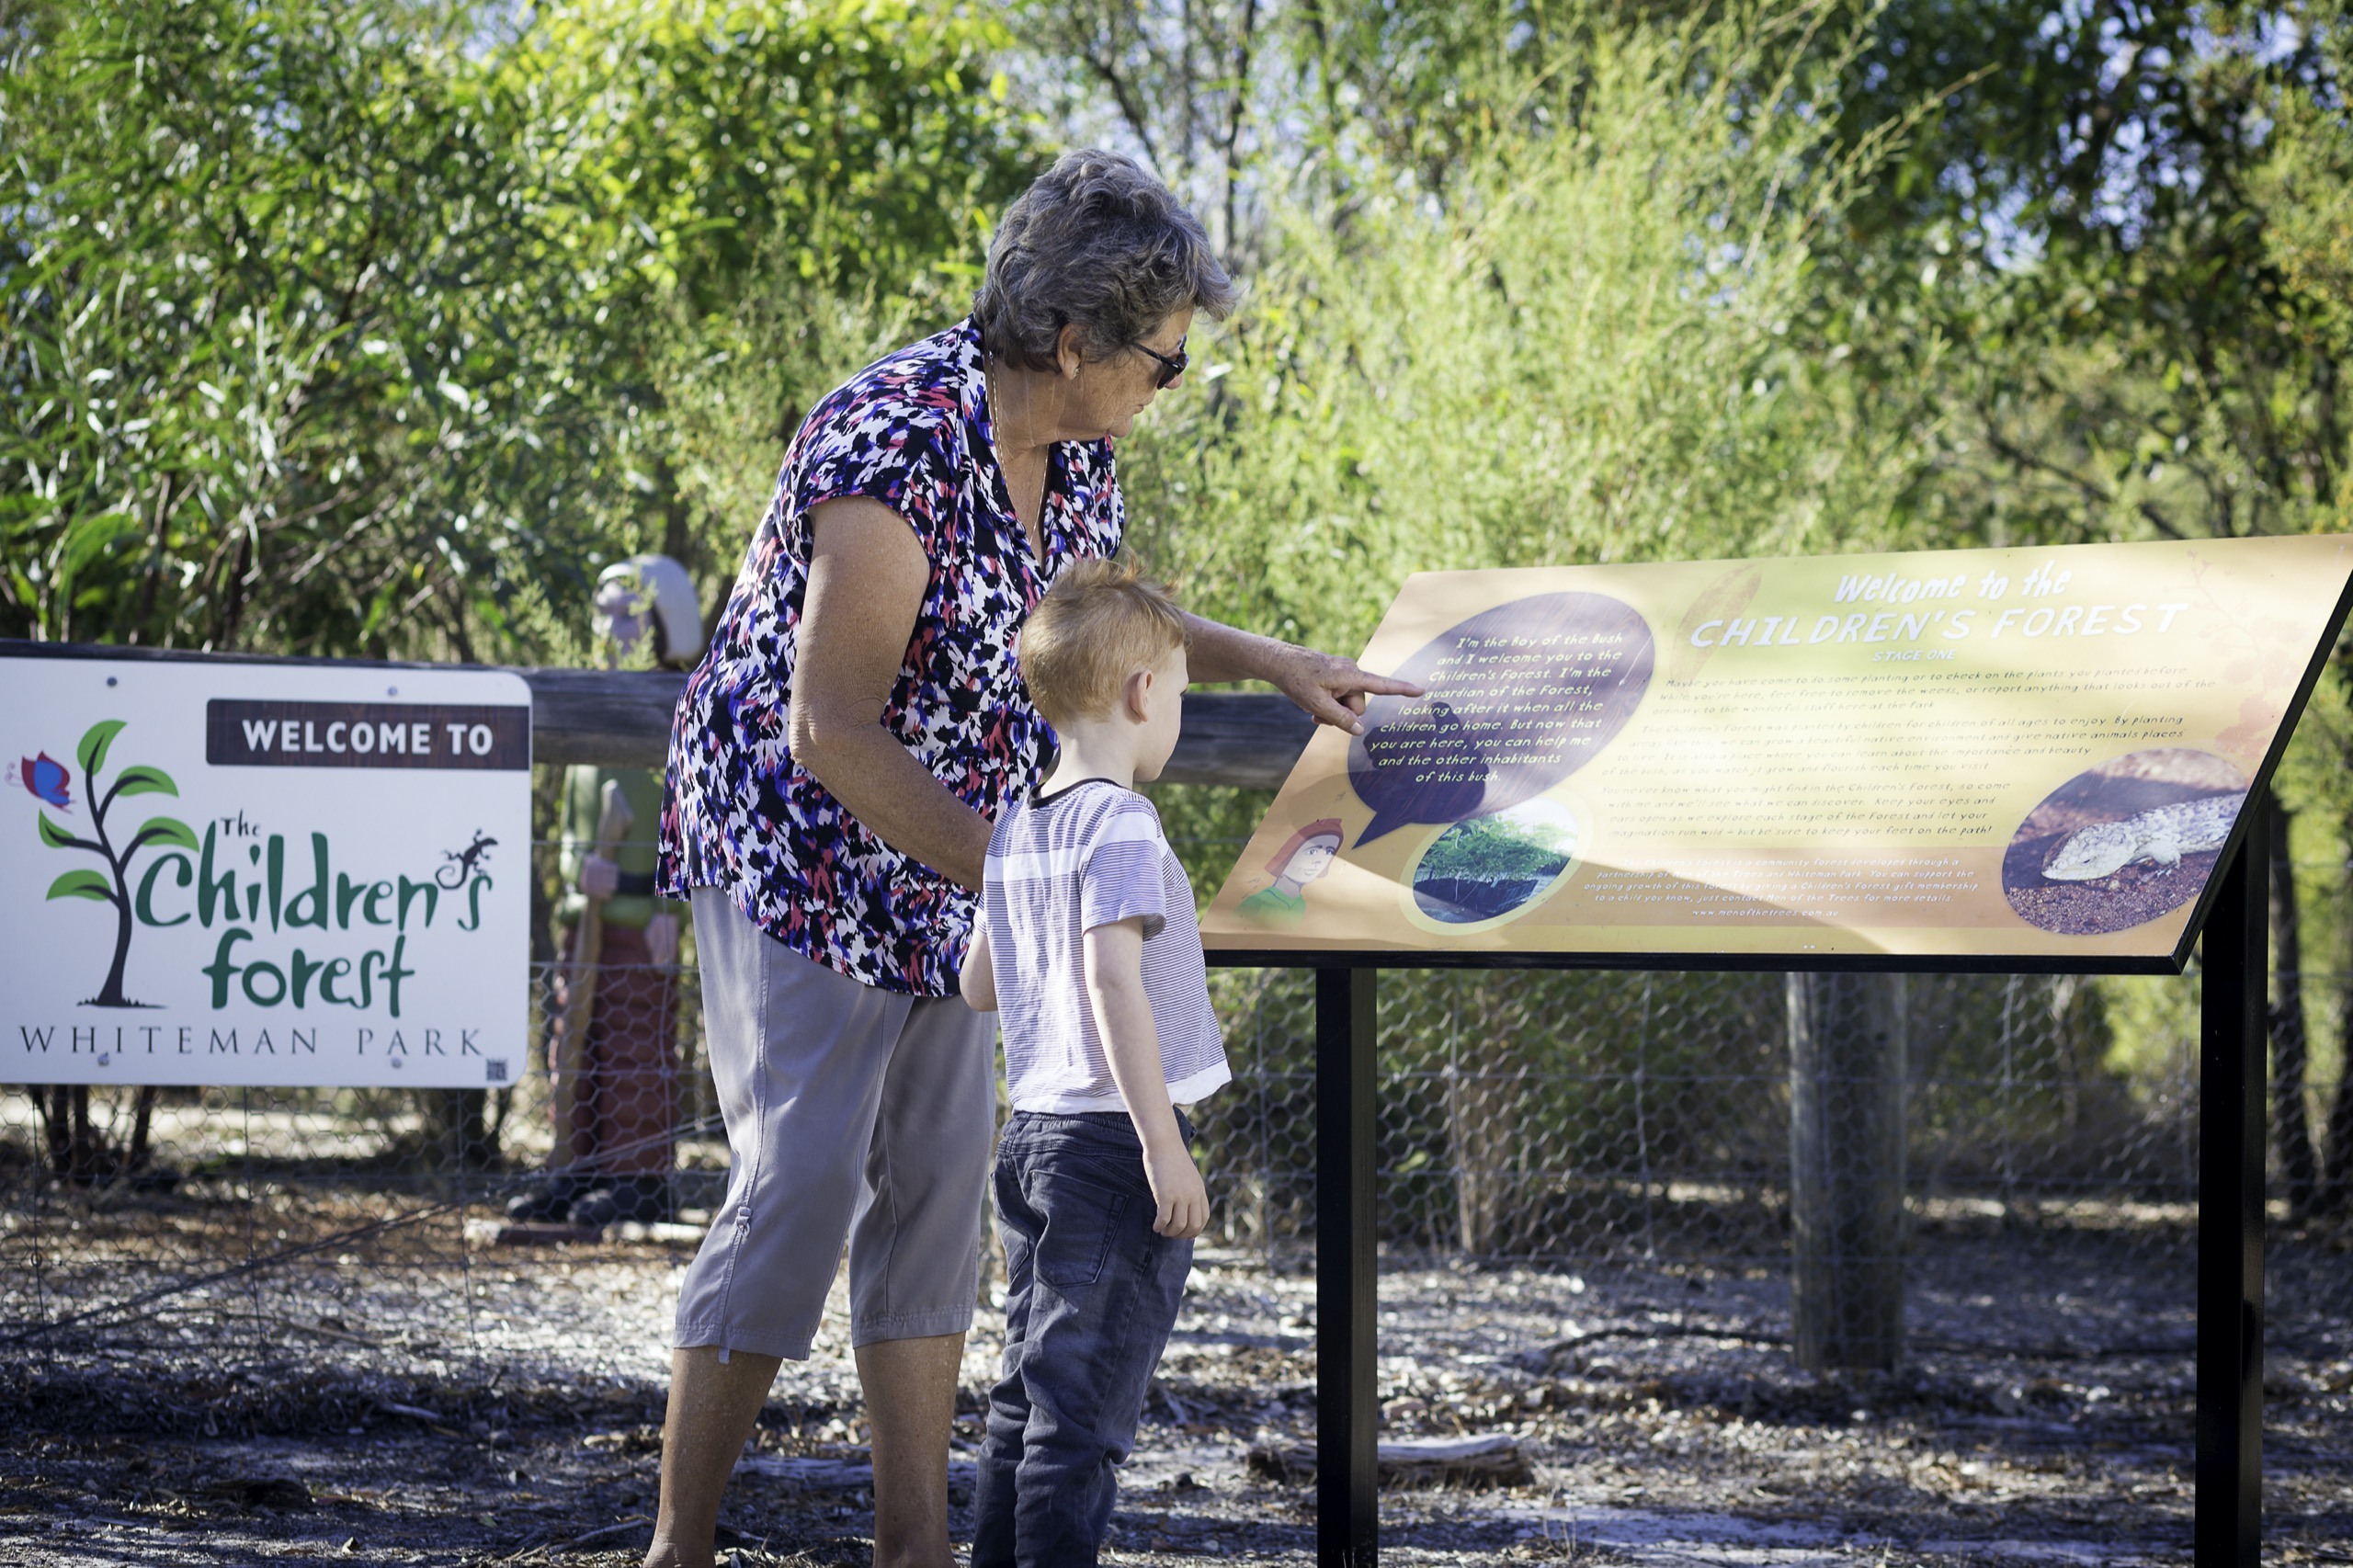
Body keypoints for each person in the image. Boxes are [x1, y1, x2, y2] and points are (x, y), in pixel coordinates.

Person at [651, 148, 1418, 1568]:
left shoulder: (1074, 449)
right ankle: (677, 1546)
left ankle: (916, 1547)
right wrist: (1024, 875)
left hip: (963, 851)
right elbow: (828, 729)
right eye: (1162, 361)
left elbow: (1097, 622)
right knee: (800, 1180)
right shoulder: (896, 440)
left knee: (939, 1185)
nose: (1167, 383)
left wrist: (1268, 661)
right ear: (1074, 340)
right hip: (799, 836)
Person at [958, 559, 1226, 1567]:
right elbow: (1113, 981)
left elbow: (980, 981)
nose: (1178, 717)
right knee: (1081, 1416)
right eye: (1183, 696)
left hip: (1030, 1136)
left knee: (1026, 1395)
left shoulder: (1019, 823)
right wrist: (1166, 1144)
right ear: (1141, 691)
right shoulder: (1121, 820)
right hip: (1114, 1141)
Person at [508, 556, 698, 1228]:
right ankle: (575, 1164)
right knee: (575, 1046)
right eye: (606, 612)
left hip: (640, 924)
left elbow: (685, 826)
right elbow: (570, 820)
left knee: (634, 1050)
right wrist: (573, 877)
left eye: (627, 614)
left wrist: (665, 905)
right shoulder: (584, 707)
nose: (611, 627)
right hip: (582, 926)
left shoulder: (671, 712)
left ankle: (638, 1175)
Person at [1235, 816, 1345, 925]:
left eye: (1329, 852)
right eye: (1312, 852)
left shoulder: (1302, 905)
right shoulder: (1258, 901)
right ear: (1288, 853)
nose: (1319, 861)